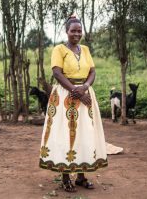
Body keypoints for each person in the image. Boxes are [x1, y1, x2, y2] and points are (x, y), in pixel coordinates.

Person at [39, 15, 108, 192]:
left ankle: (81, 176)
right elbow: (57, 73)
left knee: (84, 135)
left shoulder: (85, 49)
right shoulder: (59, 49)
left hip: (84, 95)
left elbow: (92, 71)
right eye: (73, 31)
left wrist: (84, 87)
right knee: (65, 135)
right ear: (66, 31)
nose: (76, 34)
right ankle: (65, 178)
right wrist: (74, 90)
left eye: (79, 31)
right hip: (64, 97)